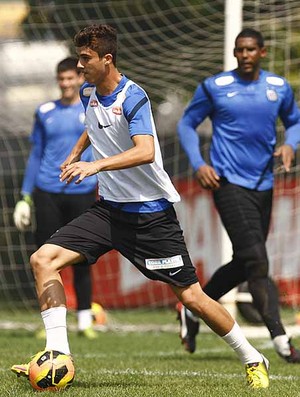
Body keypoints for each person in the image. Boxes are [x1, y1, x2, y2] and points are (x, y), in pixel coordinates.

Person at [11, 24, 269, 389]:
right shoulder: (88, 92)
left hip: (150, 217)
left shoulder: (134, 98)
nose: (80, 66)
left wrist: (95, 165)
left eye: (85, 59)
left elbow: (145, 150)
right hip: (109, 211)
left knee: (191, 297)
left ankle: (253, 357)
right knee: (43, 260)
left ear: (107, 59)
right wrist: (75, 152)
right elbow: (93, 123)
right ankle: (57, 357)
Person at [176, 28, 300, 363]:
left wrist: (290, 143)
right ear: (234, 53)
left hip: (263, 184)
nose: (244, 55)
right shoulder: (215, 87)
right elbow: (187, 124)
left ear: (262, 52)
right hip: (226, 183)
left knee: (246, 262)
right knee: (258, 261)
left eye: (250, 50)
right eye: (239, 50)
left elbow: (295, 122)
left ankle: (192, 307)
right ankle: (282, 342)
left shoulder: (278, 88)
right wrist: (199, 164)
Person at [13, 57, 98, 339]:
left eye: (70, 78)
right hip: (47, 191)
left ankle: (85, 320)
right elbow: (36, 155)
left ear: (79, 78)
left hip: (82, 189)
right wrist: (25, 196)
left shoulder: (93, 108)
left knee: (83, 257)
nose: (65, 84)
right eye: (61, 79)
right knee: (45, 258)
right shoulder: (45, 111)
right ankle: (49, 320)